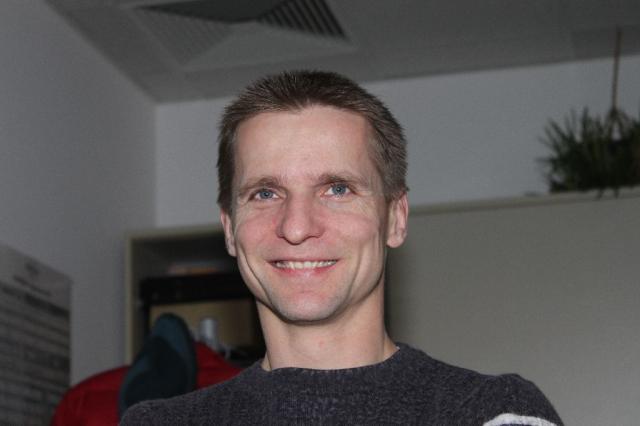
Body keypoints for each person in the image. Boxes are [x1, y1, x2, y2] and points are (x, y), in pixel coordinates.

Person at [121, 70, 563, 425]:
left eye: (337, 189)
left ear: (396, 218)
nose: (296, 227)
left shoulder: (491, 413)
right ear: (230, 230)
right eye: (265, 193)